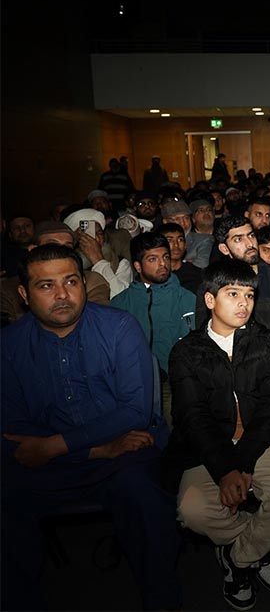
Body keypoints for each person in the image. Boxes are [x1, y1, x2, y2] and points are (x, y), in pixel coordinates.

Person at [2, 244, 181, 610]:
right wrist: (89, 448)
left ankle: (163, 601)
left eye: (70, 281)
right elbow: (12, 431)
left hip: (121, 454)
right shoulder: (8, 346)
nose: (62, 295)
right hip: (55, 460)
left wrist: (57, 445)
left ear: (84, 283)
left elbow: (133, 411)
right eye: (46, 286)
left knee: (142, 488)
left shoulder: (118, 327)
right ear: (24, 294)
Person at [165, 259, 270, 611]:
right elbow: (192, 417)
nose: (244, 303)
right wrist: (225, 468)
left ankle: (239, 558)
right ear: (211, 300)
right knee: (193, 511)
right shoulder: (187, 351)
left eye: (249, 294)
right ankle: (260, 546)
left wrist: (242, 462)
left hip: (263, 442)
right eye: (233, 294)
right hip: (207, 448)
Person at [111, 231, 197, 426]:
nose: (163, 264)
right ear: (138, 266)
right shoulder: (119, 305)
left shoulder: (188, 299)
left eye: (165, 257)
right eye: (153, 259)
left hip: (177, 382)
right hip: (134, 383)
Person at [196, 215, 270, 333]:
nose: (250, 244)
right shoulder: (212, 284)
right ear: (224, 249)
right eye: (238, 239)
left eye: (251, 236)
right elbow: (205, 332)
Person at [154, 221, 203, 294]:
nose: (176, 245)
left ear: (185, 245)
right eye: (169, 240)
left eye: (180, 240)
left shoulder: (197, 274)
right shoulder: (153, 276)